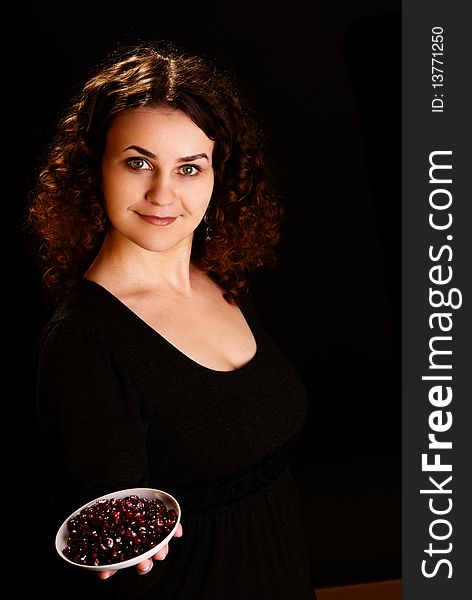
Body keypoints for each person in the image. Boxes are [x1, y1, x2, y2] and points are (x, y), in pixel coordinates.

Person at [26, 41, 315, 599]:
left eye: (189, 168)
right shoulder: (84, 340)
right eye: (138, 162)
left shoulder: (223, 282)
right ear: (94, 165)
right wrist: (120, 534)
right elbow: (103, 507)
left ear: (217, 175)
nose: (164, 194)